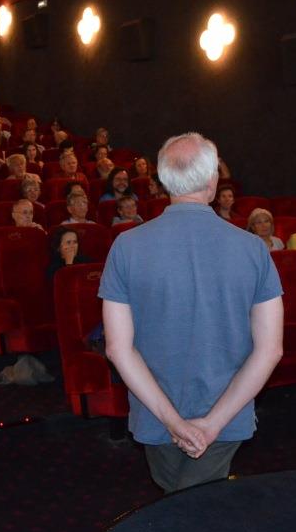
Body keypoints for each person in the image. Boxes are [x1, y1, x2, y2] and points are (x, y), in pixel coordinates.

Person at [99, 132, 283, 494]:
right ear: (213, 181)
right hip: (228, 414)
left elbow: (118, 348)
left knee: (179, 502)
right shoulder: (253, 249)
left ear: (164, 181)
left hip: (155, 413)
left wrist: (172, 422)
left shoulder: (126, 246)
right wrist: (213, 425)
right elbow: (271, 349)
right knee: (193, 507)